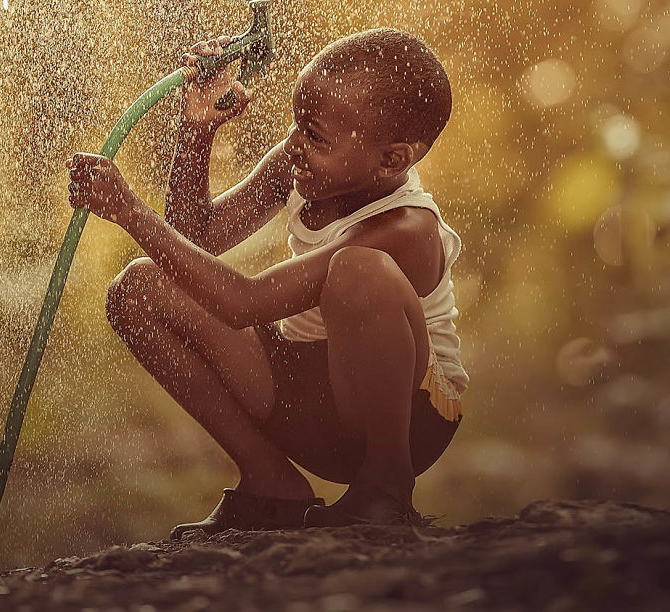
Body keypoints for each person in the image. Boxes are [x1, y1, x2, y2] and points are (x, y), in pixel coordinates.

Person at [66, 27, 467, 534]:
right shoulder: (304, 164)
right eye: (297, 125)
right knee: (140, 289)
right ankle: (269, 483)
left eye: (315, 135)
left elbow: (243, 303)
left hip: (409, 422)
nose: (295, 144)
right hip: (309, 400)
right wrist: (196, 131)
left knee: (357, 270)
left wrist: (128, 212)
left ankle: (386, 488)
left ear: (393, 159)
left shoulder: (407, 227)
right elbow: (193, 238)